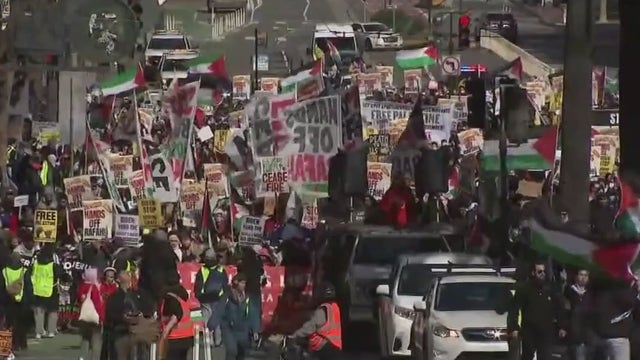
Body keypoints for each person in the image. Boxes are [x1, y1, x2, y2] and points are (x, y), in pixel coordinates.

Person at [508, 260, 566, 360]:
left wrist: (562, 326)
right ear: (533, 273)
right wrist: (514, 327)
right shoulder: (524, 290)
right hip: (529, 331)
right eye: (539, 272)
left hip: (546, 331)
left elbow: (559, 308)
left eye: (544, 271)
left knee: (545, 356)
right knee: (527, 356)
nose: (542, 274)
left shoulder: (550, 289)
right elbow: (514, 309)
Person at [106, 269, 154, 360]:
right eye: (124, 273)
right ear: (118, 279)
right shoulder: (114, 297)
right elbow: (110, 315)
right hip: (120, 334)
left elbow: (144, 309)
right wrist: (124, 318)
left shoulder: (135, 295)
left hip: (135, 334)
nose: (128, 274)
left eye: (128, 273)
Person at [289, 282, 342, 360]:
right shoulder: (334, 307)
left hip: (323, 346)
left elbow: (310, 327)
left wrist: (293, 335)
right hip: (335, 346)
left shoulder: (323, 310)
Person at [220, 273, 260, 360]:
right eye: (242, 283)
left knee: (242, 354)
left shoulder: (247, 298)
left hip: (243, 330)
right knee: (232, 351)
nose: (243, 285)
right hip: (229, 330)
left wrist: (255, 330)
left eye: (244, 283)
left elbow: (253, 314)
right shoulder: (227, 296)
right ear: (235, 283)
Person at [194, 248, 228, 347]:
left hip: (207, 299)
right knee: (214, 320)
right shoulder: (221, 270)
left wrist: (199, 295)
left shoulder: (203, 270)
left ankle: (211, 341)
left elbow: (198, 285)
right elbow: (225, 286)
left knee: (208, 320)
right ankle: (216, 341)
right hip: (214, 299)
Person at [158, 275, 194, 360]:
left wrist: (166, 328)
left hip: (174, 337)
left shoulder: (169, 297)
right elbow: (197, 315)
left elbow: (176, 314)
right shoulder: (185, 295)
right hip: (188, 337)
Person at [30, 243, 61, 339]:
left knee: (39, 311)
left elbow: (31, 271)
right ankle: (51, 331)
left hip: (38, 288)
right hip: (51, 288)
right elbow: (59, 272)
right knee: (52, 310)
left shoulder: (36, 260)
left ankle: (39, 332)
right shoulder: (54, 260)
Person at [0, 252, 30, 354]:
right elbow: (28, 287)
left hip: (8, 301)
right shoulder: (24, 270)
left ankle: (8, 347)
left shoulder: (4, 271)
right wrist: (29, 300)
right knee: (20, 324)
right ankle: (20, 344)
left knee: (8, 325)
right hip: (22, 301)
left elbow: (2, 287)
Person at [564, 269, 594, 360]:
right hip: (574, 333)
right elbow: (565, 311)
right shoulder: (569, 291)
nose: (583, 278)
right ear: (576, 276)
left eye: (586, 275)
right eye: (581, 274)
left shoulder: (591, 293)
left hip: (589, 334)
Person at [77, 268, 105, 360]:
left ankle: (82, 356)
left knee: (85, 338)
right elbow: (97, 305)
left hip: (84, 318)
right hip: (94, 318)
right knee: (96, 340)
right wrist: (101, 318)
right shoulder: (93, 288)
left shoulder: (81, 287)